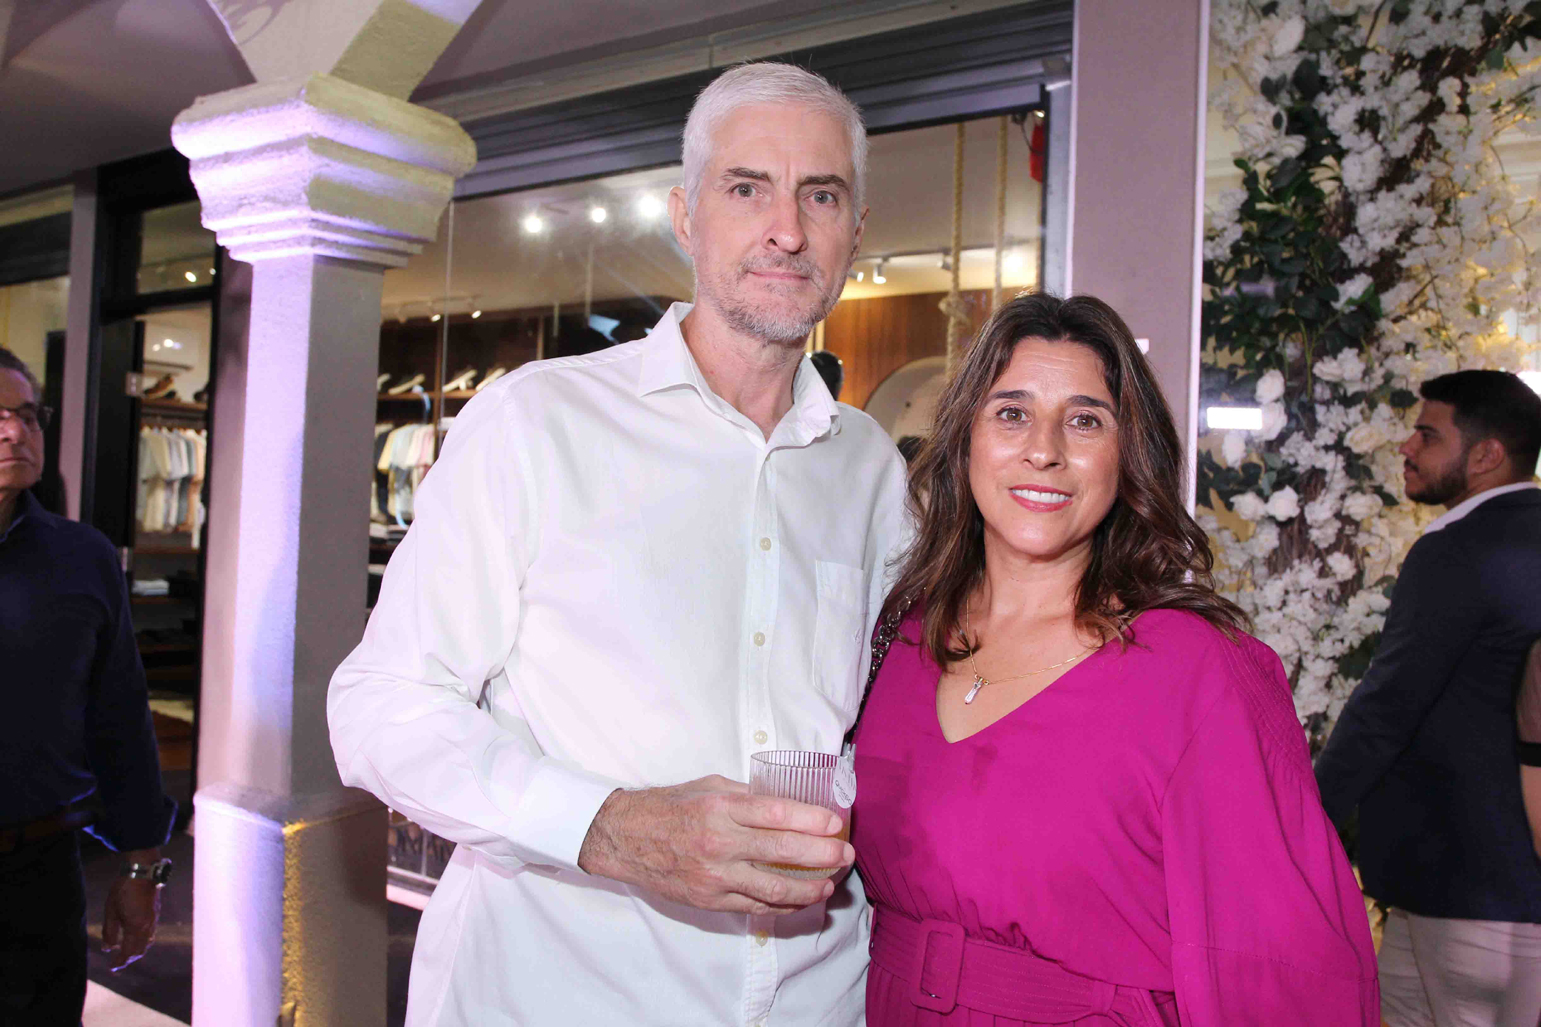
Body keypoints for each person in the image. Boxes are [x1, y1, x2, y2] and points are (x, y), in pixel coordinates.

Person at [328, 63, 907, 1025]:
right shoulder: (536, 421)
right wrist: (607, 827)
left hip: (816, 997)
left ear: (855, 230)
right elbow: (380, 703)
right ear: (685, 217)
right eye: (746, 187)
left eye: (821, 195)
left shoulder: (872, 469)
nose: (787, 229)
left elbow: (880, 724)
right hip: (559, 993)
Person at [850, 293, 1379, 1025]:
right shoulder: (903, 634)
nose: (1044, 449)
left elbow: (1281, 968)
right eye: (1011, 412)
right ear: (964, 439)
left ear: (1128, 454)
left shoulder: (1198, 672)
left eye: (1085, 420)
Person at [1315, 370, 1541, 1027]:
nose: (1406, 447)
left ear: (1486, 454)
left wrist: (1306, 820)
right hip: (1493, 888)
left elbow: (1387, 706)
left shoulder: (1459, 549)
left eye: (1427, 435)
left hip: (1460, 884)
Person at [0, 347, 176, 1024]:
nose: (16, 431)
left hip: (37, 880)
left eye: (27, 414)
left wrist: (140, 868)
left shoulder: (81, 558)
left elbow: (120, 719)